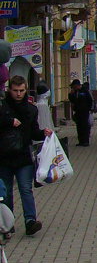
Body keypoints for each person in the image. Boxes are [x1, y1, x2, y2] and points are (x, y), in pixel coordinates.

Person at [0, 74, 54, 235]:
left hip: (23, 156)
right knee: (6, 192)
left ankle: (30, 221)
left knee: (25, 189)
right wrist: (9, 121)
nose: (18, 94)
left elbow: (33, 132)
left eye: (21, 90)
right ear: (9, 90)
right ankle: (7, 224)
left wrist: (43, 133)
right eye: (15, 90)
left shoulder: (31, 109)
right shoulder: (2, 108)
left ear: (25, 90)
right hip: (4, 156)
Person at [71, 79, 96, 146]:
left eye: (74, 86)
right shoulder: (75, 92)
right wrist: (71, 94)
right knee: (79, 127)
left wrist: (90, 109)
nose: (73, 88)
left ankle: (86, 141)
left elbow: (91, 100)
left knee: (85, 126)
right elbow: (73, 100)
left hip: (85, 111)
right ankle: (81, 141)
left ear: (77, 85)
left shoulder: (85, 91)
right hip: (78, 111)